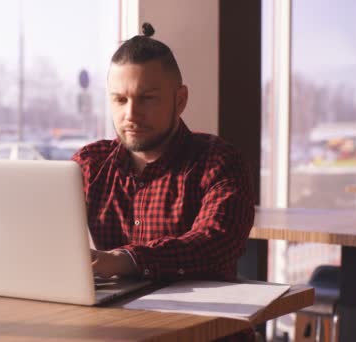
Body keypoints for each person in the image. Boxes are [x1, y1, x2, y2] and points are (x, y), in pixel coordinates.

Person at [72, 23, 257, 341]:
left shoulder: (219, 161)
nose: (131, 114)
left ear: (180, 99)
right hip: (120, 330)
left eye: (147, 99)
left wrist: (123, 260)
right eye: (120, 100)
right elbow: (44, 232)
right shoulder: (90, 164)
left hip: (206, 334)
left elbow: (216, 245)